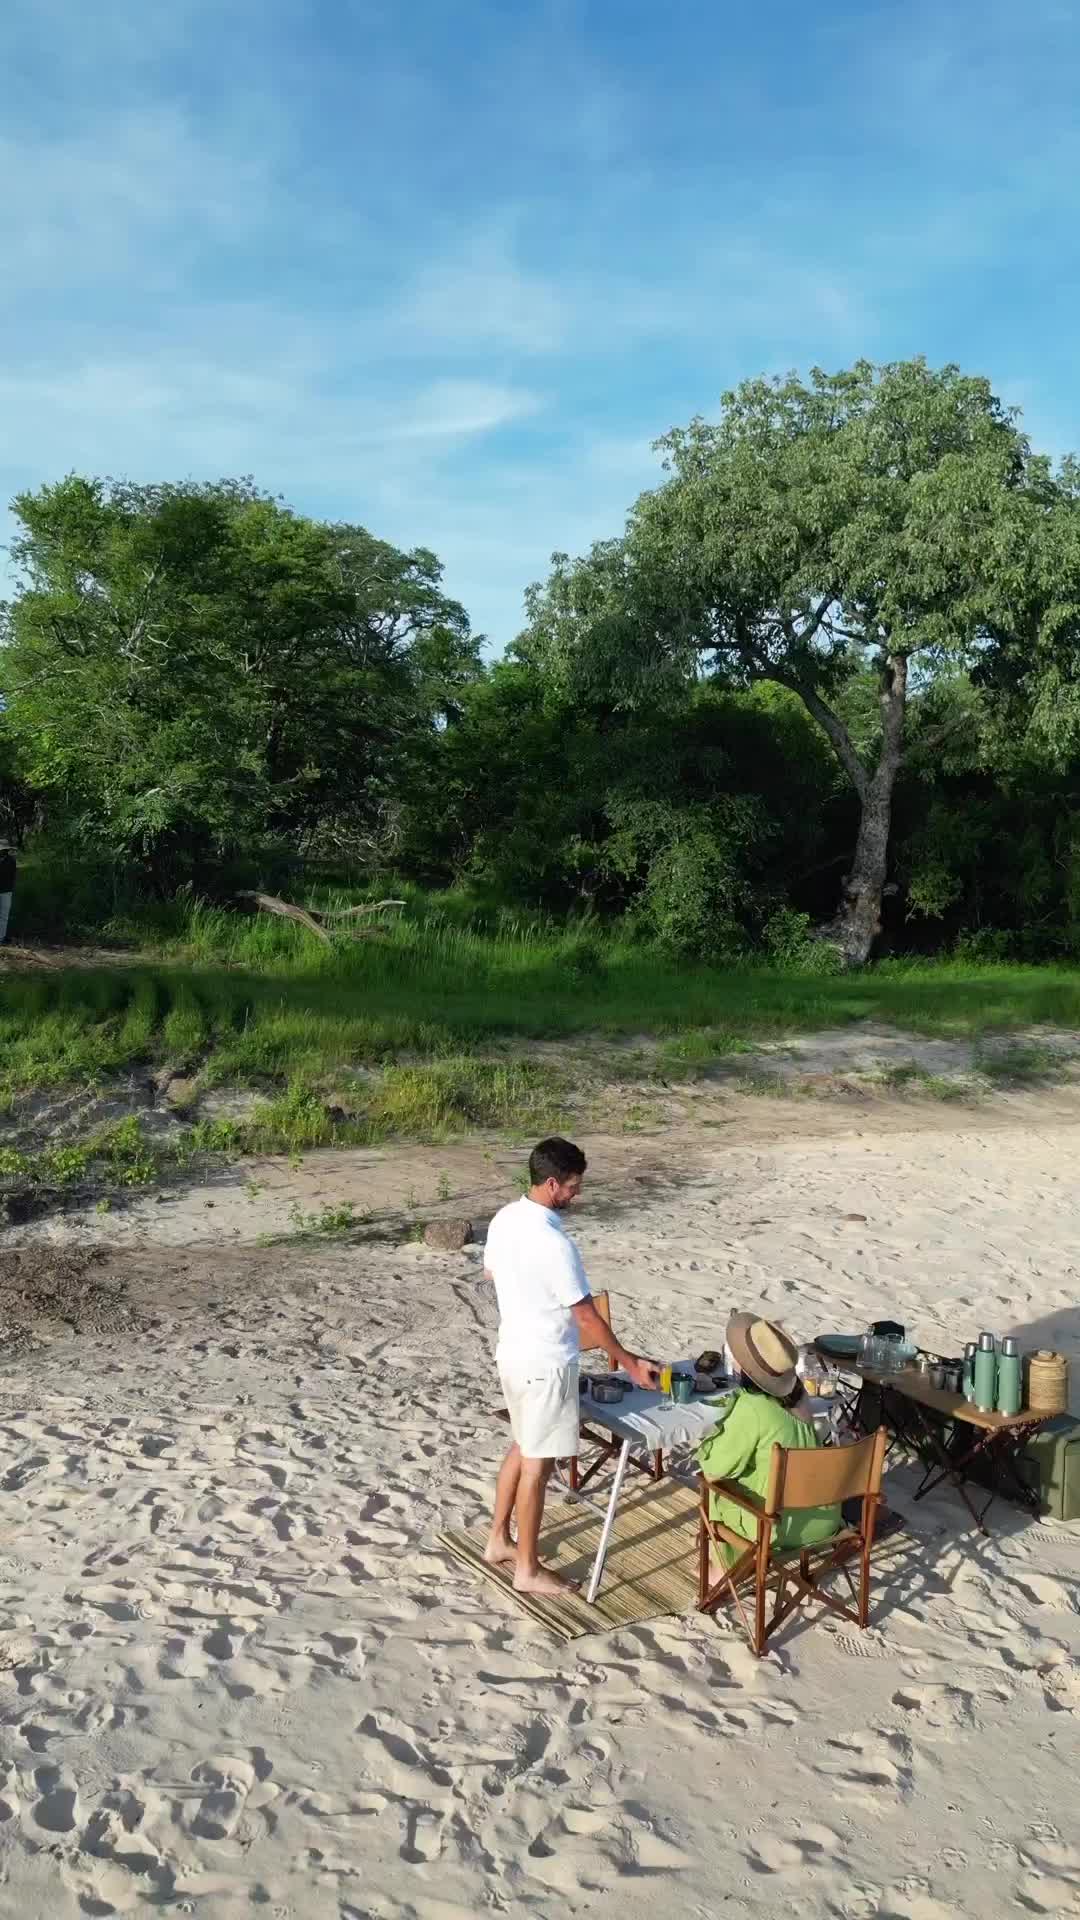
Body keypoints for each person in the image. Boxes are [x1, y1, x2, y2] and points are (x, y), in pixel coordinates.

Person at [484, 1136, 659, 1595]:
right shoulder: (555, 1243)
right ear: (551, 1183)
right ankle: (527, 1568)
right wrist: (627, 1361)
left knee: (522, 1446)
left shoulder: (505, 1218)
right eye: (573, 1187)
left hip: (512, 1353)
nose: (576, 1195)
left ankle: (497, 1539)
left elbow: (492, 1273)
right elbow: (585, 1315)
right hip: (544, 1362)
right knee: (537, 1467)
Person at [697, 1312, 842, 1564]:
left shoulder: (752, 1407)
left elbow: (713, 1468)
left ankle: (722, 1568)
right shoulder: (800, 1396)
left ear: (743, 1365)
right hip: (824, 1519)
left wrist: (708, 1440)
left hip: (776, 1528)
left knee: (715, 1489)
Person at [0, 842, 14, 947]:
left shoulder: (11, 861)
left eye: (4, 850)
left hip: (6, 892)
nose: (2, 851)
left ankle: (1, 938)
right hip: (5, 890)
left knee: (4, 916)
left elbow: (11, 877)